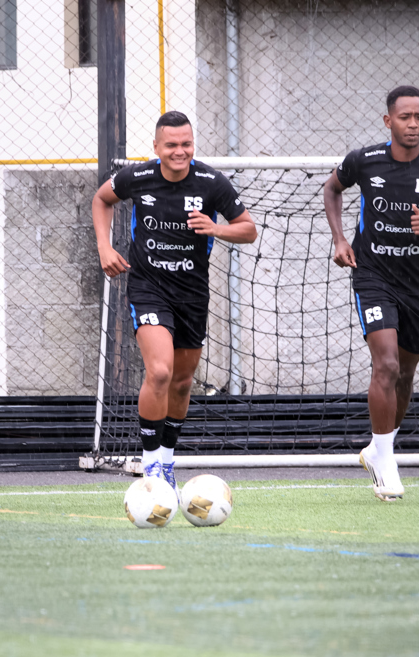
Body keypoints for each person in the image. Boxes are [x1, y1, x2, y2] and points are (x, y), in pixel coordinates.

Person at [322, 86, 419, 502]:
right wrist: (340, 239)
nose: (413, 124)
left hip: (416, 283)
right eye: (405, 117)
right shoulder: (364, 160)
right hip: (372, 275)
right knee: (385, 364)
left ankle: (378, 448)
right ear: (388, 121)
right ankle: (386, 462)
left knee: (405, 374)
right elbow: (331, 189)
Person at [92, 111, 257, 490]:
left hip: (192, 294)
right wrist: (104, 246)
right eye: (171, 145)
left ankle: (167, 459)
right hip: (148, 288)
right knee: (161, 372)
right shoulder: (137, 176)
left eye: (186, 144)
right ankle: (150, 463)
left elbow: (249, 229)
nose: (179, 151)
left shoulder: (212, 182)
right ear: (156, 147)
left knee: (182, 382)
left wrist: (216, 228)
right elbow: (101, 199)